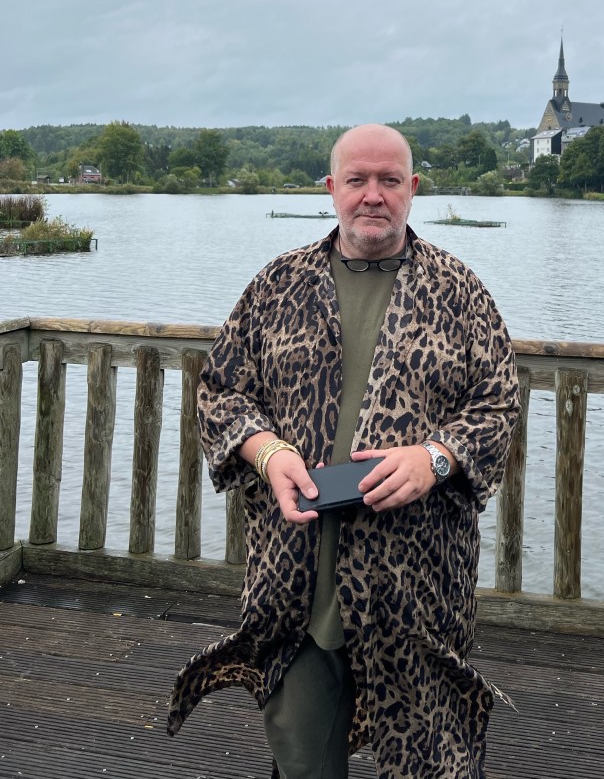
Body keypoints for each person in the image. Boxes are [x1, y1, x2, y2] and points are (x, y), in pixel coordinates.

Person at [168, 123, 520, 779]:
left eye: (389, 180)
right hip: (296, 580)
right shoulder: (277, 285)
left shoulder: (460, 291)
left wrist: (435, 458)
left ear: (413, 188)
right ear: (331, 188)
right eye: (357, 180)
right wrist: (267, 452)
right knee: (304, 761)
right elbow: (220, 390)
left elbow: (497, 405)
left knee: (429, 761)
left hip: (416, 585)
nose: (372, 195)